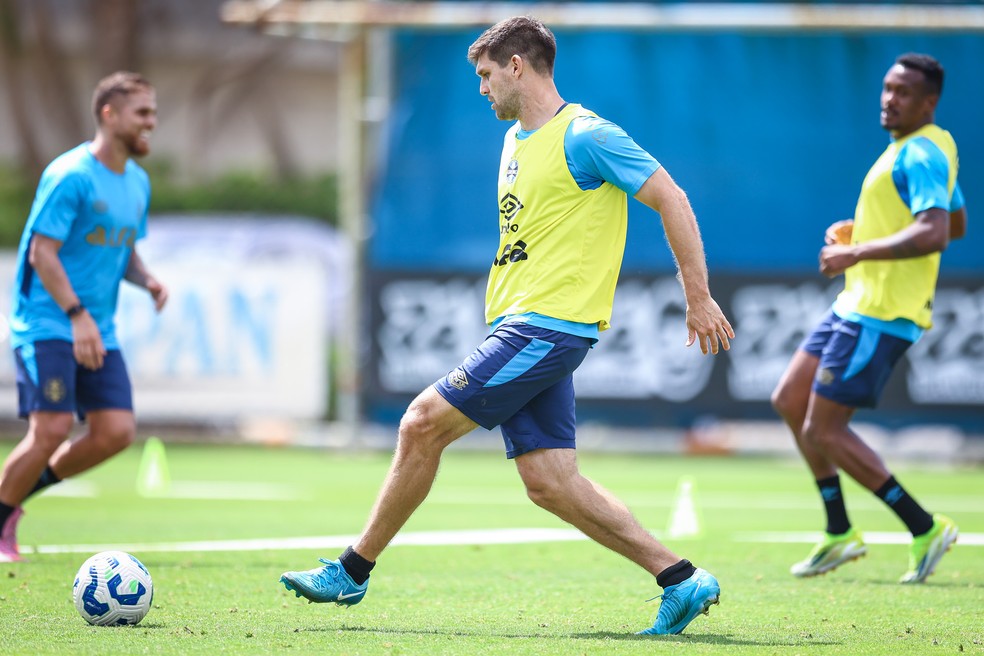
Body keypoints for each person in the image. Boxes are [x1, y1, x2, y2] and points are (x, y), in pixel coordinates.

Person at [280, 16, 734, 636]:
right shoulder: (516, 139)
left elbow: (671, 197)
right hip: (523, 325)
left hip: (548, 329)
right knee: (549, 482)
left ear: (518, 65)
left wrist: (698, 296)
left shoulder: (587, 134)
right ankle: (681, 579)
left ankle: (352, 570)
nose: (481, 87)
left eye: (487, 74)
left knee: (419, 424)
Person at [772, 53, 965, 584]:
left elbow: (937, 233)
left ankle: (923, 526)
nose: (889, 99)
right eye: (886, 88)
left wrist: (858, 253)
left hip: (881, 312)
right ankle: (840, 532)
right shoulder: (925, 145)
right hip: (855, 303)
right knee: (789, 399)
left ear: (929, 102)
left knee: (825, 430)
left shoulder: (922, 152)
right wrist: (867, 230)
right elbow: (960, 222)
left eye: (903, 92)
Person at [0, 71, 168, 562]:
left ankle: (14, 499)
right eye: (142, 113)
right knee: (50, 429)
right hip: (49, 324)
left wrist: (148, 280)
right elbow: (42, 255)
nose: (151, 123)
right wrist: (76, 315)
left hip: (96, 328)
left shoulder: (137, 182)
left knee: (115, 432)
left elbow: (124, 251)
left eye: (154, 113)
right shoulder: (70, 175)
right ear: (108, 114)